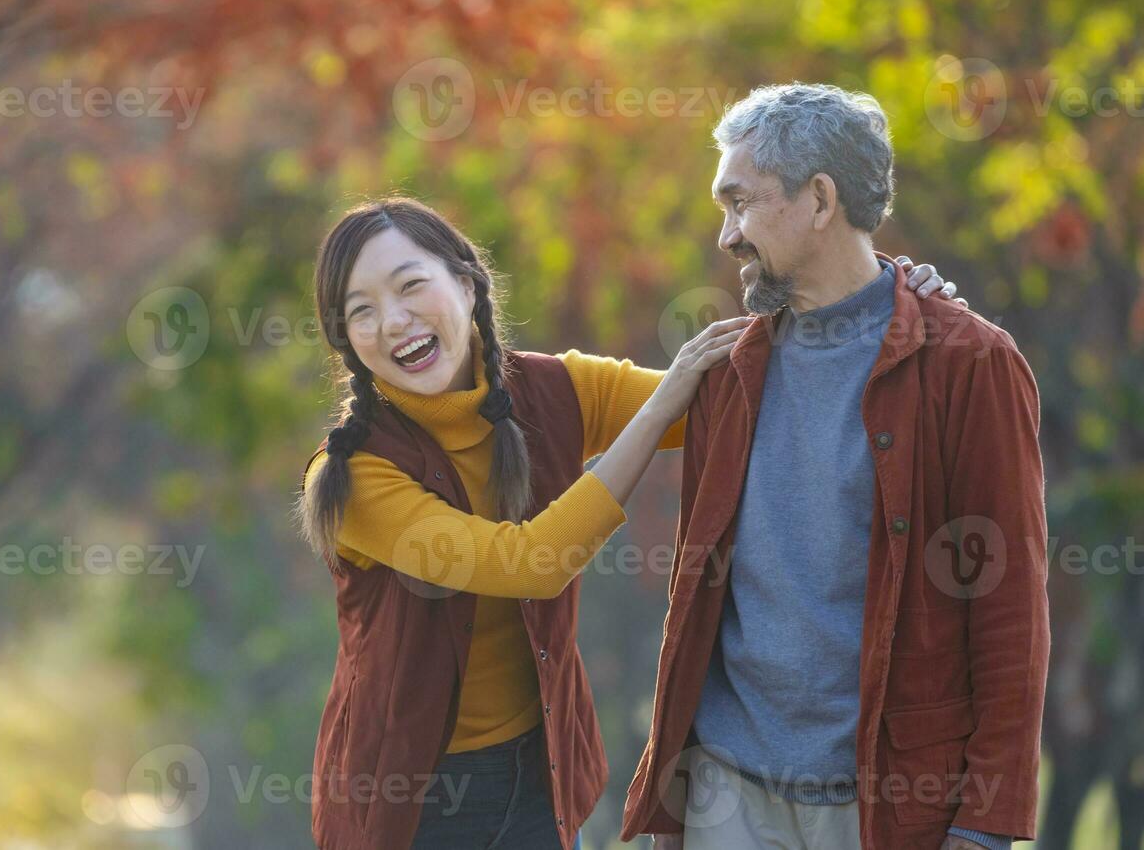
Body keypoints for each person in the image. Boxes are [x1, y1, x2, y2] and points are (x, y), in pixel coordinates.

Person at [297, 195, 959, 850]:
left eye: (410, 286)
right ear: (347, 341)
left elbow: (744, 396)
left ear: (466, 286)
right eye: (362, 312)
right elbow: (532, 564)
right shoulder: (353, 475)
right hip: (409, 811)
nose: (393, 321)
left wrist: (882, 302)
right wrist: (671, 389)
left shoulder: (554, 390)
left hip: (542, 785)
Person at [619, 83, 1050, 850]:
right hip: (727, 793)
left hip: (887, 804)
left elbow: (1009, 605)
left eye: (740, 204)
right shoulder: (725, 371)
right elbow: (698, 600)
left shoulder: (969, 363)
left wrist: (987, 820)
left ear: (820, 200)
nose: (726, 237)